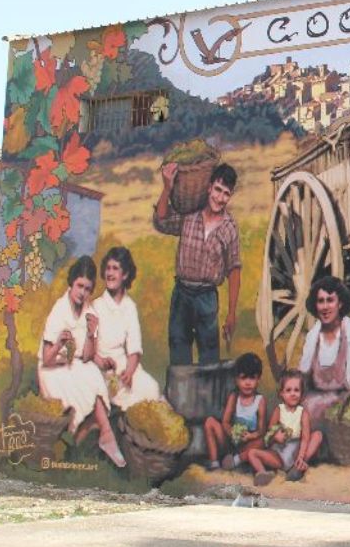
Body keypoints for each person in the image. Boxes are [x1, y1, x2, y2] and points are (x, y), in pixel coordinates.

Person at [36, 255, 126, 468]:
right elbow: (47, 360)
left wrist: (91, 334)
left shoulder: (88, 311)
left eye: (87, 289)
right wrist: (59, 343)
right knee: (88, 376)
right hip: (52, 369)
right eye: (79, 287)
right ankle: (99, 435)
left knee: (90, 372)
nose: (82, 293)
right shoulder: (59, 311)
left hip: (73, 365)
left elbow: (85, 356)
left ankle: (99, 435)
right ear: (71, 283)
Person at [153, 162, 241, 365]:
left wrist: (231, 314)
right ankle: (180, 396)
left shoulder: (230, 228)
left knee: (209, 358)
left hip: (207, 298)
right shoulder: (189, 216)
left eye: (226, 194)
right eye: (217, 190)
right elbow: (161, 218)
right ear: (209, 187)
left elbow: (234, 269)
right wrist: (167, 188)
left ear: (230, 196)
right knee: (178, 350)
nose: (219, 198)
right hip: (181, 295)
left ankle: (207, 397)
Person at [297, 275, 350, 429]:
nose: (325, 307)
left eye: (330, 300)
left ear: (340, 303)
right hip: (313, 407)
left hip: (347, 404)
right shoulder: (313, 335)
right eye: (320, 301)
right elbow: (303, 375)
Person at [91, 246, 162, 411]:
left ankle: (135, 423)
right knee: (117, 395)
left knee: (151, 388)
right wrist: (101, 362)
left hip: (125, 366)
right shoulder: (96, 307)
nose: (110, 273)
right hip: (102, 368)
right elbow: (89, 349)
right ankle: (121, 421)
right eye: (108, 268)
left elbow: (134, 348)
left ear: (125, 274)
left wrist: (129, 372)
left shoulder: (130, 307)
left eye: (115, 268)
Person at [248, 372, 323, 485]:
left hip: (296, 452)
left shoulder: (303, 413)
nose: (293, 394)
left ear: (301, 393)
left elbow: (305, 438)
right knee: (252, 453)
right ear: (282, 394)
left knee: (317, 435)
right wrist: (275, 436)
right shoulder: (279, 410)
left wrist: (301, 456)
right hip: (279, 454)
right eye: (288, 390)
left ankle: (298, 466)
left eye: (296, 390)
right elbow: (269, 434)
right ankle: (263, 473)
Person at [202, 352, 267, 471]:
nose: (247, 383)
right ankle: (214, 462)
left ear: (258, 379)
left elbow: (261, 430)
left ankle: (237, 460)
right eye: (243, 378)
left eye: (252, 378)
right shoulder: (234, 397)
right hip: (231, 442)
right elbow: (225, 421)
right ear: (236, 380)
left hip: (248, 443)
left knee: (263, 441)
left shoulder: (260, 400)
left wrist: (250, 436)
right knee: (210, 422)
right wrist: (232, 432)